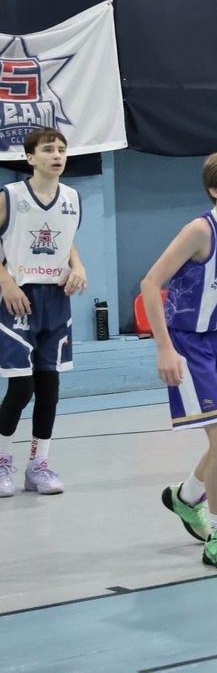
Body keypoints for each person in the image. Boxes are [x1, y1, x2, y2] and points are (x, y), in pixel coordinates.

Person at [142, 148, 217, 571]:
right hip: (189, 343)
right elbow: (150, 283)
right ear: (215, 190)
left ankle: (187, 496)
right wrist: (163, 348)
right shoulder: (198, 230)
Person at [0, 129, 87, 497]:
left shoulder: (72, 198)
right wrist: (6, 283)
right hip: (17, 298)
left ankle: (39, 466)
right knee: (22, 387)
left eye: (62, 150)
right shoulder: (10, 196)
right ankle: (2, 460)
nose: (57, 155)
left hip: (56, 299)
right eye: (49, 149)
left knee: (49, 388)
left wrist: (78, 267)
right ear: (30, 158)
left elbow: (66, 240)